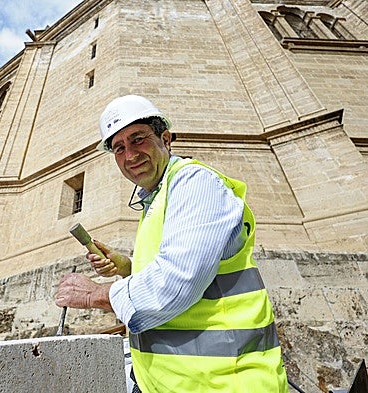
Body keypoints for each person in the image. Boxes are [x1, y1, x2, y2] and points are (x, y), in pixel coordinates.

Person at [55, 95, 289, 392]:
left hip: (226, 382)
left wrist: (96, 295)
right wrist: (127, 267)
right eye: (119, 148)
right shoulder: (158, 196)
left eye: (138, 139)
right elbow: (183, 268)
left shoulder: (195, 183)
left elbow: (177, 282)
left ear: (165, 139)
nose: (129, 156)